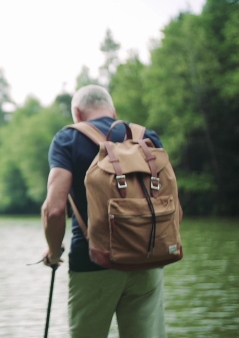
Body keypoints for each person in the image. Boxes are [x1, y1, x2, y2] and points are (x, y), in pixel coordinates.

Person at [41, 84, 168, 338]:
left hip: (92, 261)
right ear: (113, 110)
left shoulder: (68, 139)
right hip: (147, 256)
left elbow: (53, 210)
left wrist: (54, 253)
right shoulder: (146, 137)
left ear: (77, 113)